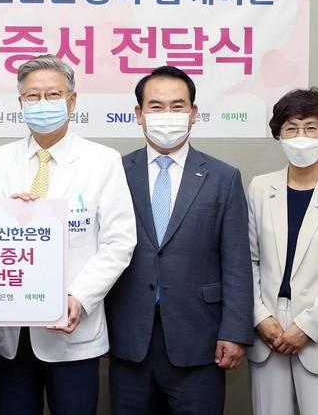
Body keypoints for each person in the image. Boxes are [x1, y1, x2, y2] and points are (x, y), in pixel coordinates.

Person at [0, 54, 137, 415]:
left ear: (72, 101)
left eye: (53, 95)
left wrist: (79, 296)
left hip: (72, 330)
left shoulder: (103, 161)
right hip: (13, 334)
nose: (42, 104)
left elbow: (119, 241)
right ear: (20, 103)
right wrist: (5, 217)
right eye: (33, 96)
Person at [105, 65, 254, 414]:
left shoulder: (223, 178)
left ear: (193, 113)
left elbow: (236, 262)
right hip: (129, 336)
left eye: (177, 106)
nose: (167, 115)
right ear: (139, 114)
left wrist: (234, 332)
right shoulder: (114, 172)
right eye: (156, 107)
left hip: (200, 339)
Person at [247, 88, 318, 414]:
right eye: (292, 128)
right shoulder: (260, 188)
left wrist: (307, 327)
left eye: (311, 127)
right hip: (268, 331)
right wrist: (260, 316)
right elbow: (248, 260)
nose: (301, 137)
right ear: (279, 134)